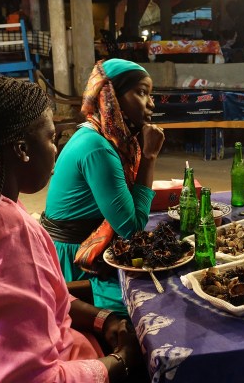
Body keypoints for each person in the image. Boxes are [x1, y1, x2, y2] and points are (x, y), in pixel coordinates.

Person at [0, 77, 142, 381]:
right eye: (51, 138)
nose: (56, 150)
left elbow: (25, 300)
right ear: (22, 148)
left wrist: (100, 318)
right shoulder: (7, 235)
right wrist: (122, 362)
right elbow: (32, 378)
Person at [42, 58, 165, 315]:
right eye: (142, 93)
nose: (151, 103)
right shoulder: (97, 147)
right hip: (78, 261)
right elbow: (131, 228)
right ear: (111, 98)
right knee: (153, 306)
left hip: (92, 243)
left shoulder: (108, 138)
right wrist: (149, 158)